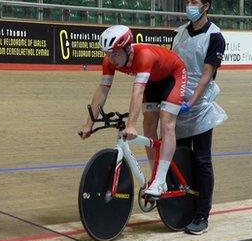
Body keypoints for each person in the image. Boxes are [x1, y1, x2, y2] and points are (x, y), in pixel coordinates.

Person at [80, 25, 188, 197]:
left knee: (167, 124)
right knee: (149, 124)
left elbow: (137, 91)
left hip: (173, 75)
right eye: (108, 53)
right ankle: (155, 176)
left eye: (115, 53)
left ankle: (161, 180)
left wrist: (131, 125)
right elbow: (102, 90)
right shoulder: (109, 61)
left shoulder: (144, 56)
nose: (111, 58)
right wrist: (89, 123)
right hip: (152, 81)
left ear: (127, 47)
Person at [172, 0, 227, 235]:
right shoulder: (179, 33)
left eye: (194, 2)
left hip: (199, 104)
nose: (189, 6)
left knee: (202, 159)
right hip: (178, 100)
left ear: (205, 6)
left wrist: (192, 101)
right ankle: (182, 207)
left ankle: (202, 215)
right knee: (181, 158)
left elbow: (206, 75)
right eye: (187, 2)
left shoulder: (215, 36)